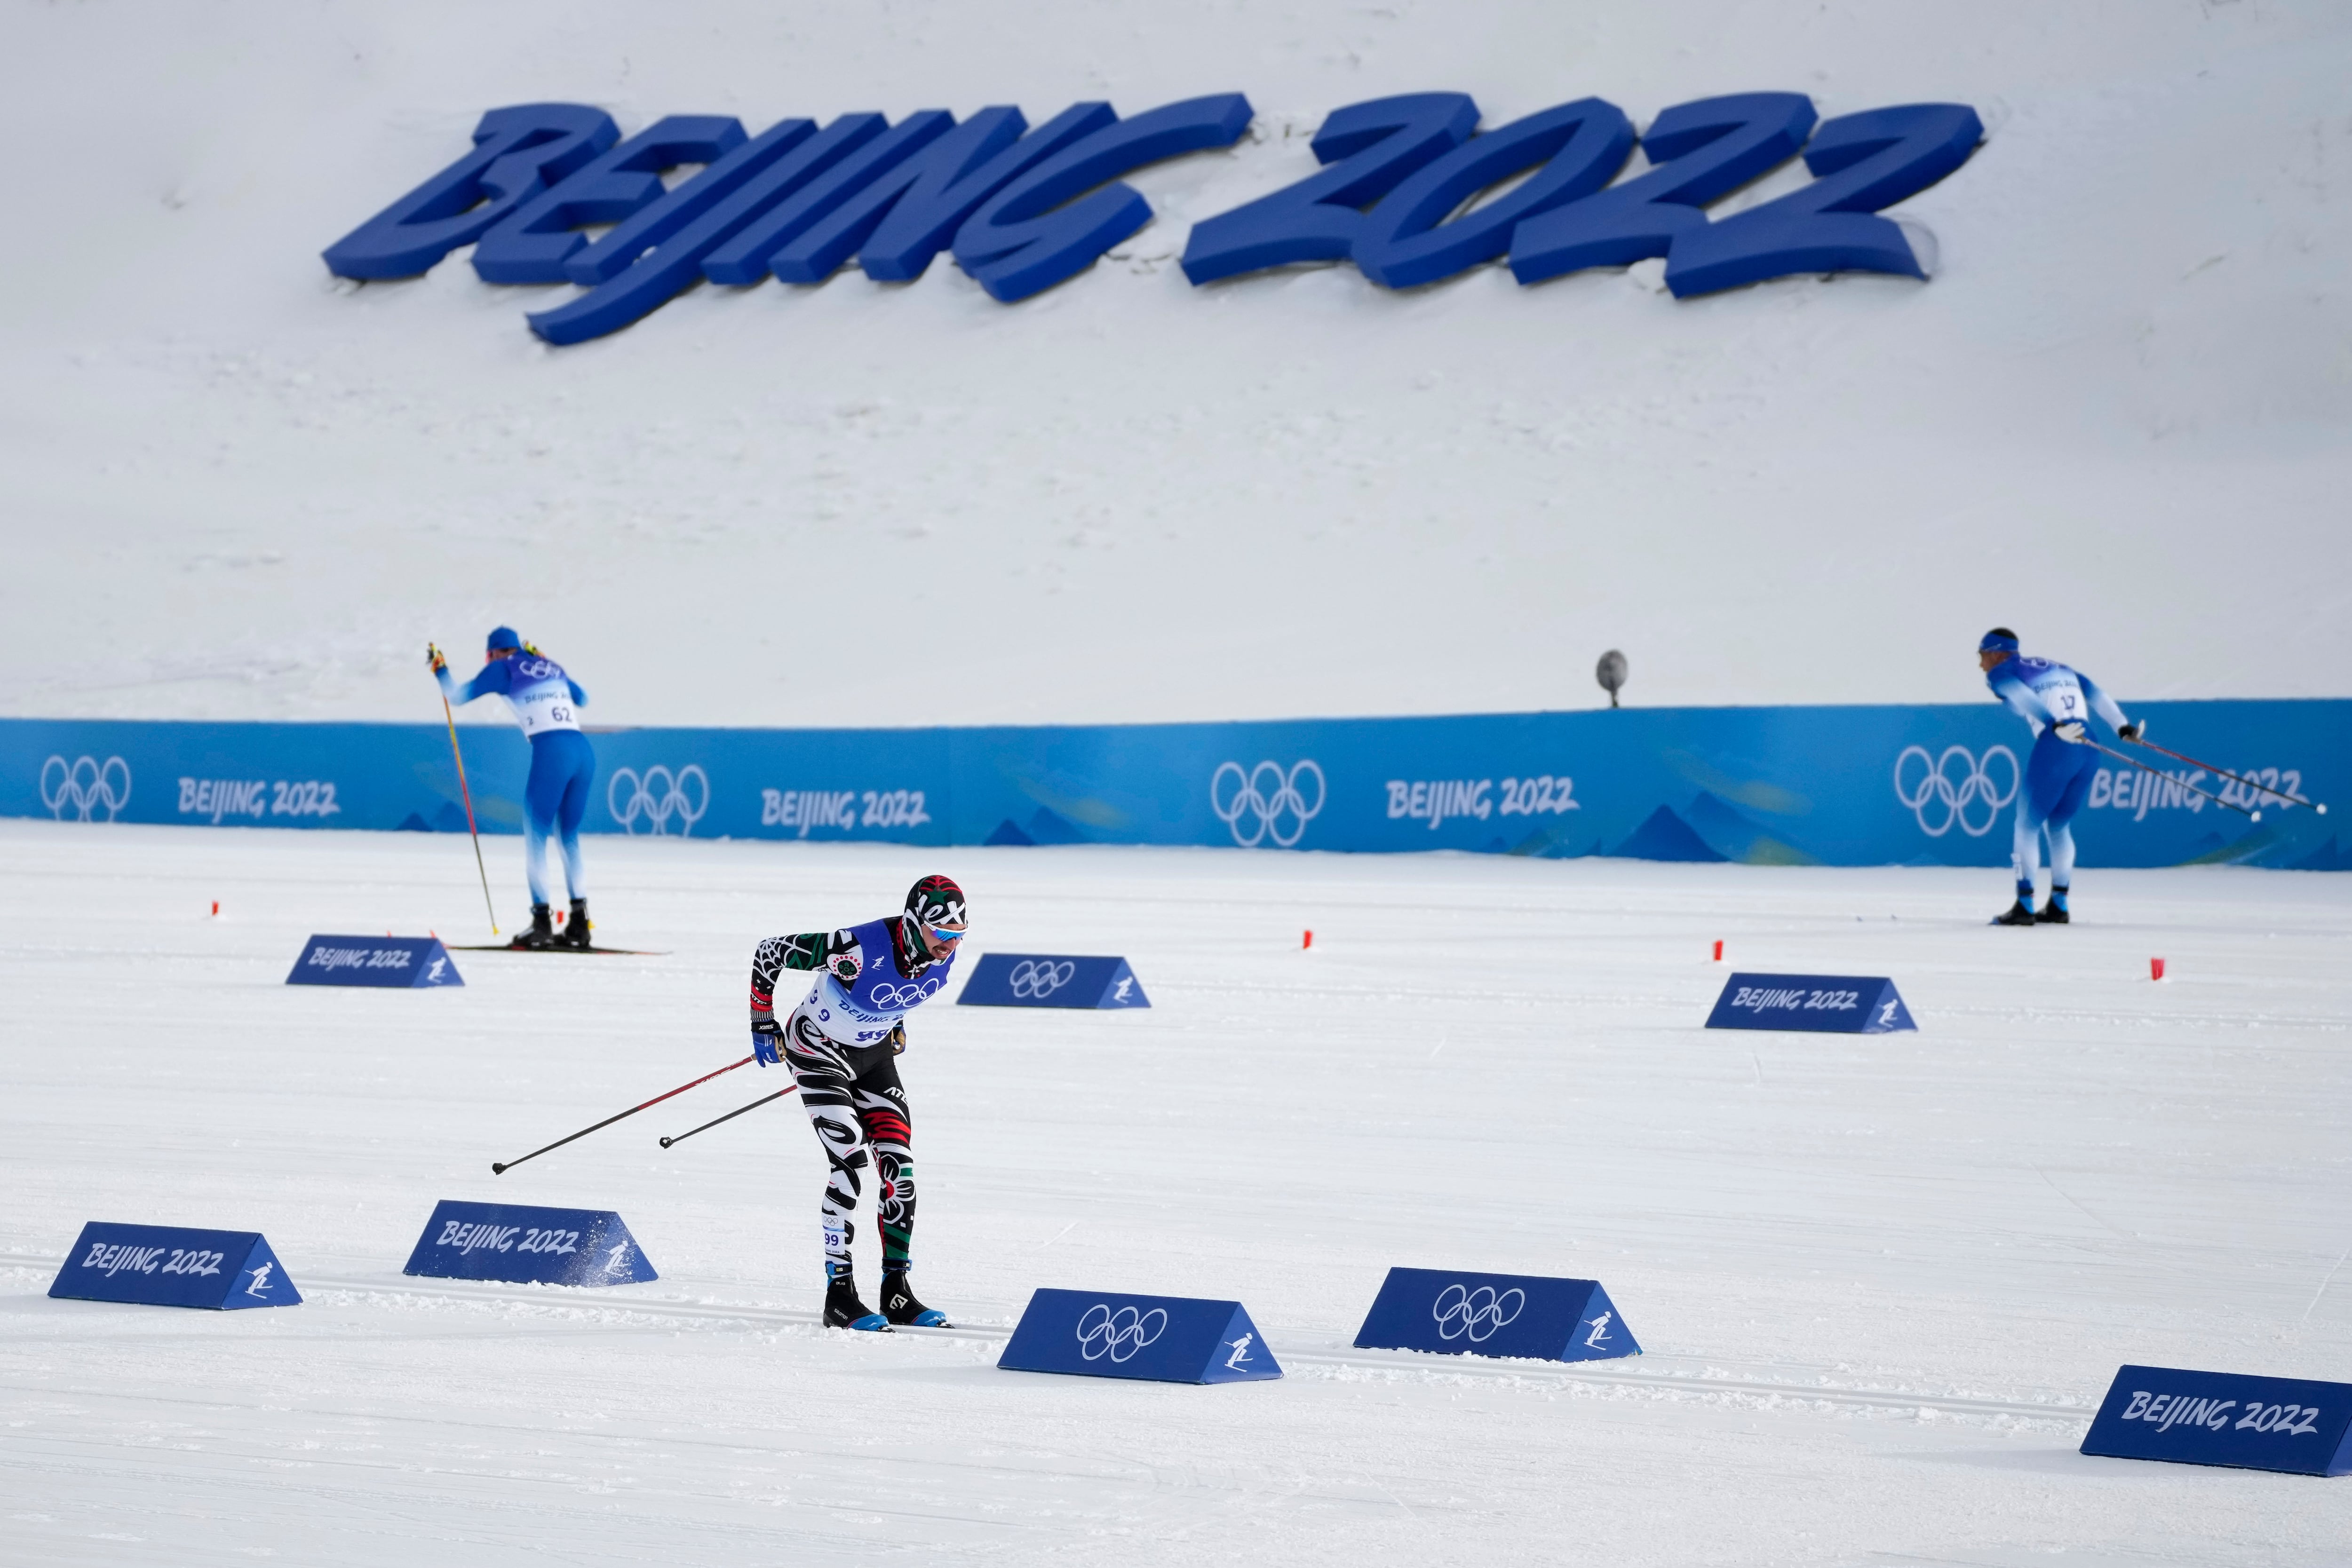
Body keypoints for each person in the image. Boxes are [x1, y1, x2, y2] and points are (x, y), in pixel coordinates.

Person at [747, 874, 968, 1331]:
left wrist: (897, 1022)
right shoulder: (854, 948)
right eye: (940, 933)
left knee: (899, 1166)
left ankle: (897, 1290)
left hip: (873, 1057)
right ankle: (839, 1294)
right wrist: (762, 1021)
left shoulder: (939, 953)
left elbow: (900, 987)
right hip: (816, 1050)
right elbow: (770, 951)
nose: (948, 944)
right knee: (849, 1161)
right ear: (911, 923)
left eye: (957, 935)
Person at [430, 627, 596, 949]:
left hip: (553, 752)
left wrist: (441, 670)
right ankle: (579, 924)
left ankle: (542, 924)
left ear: (493, 653)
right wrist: (546, 662)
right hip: (583, 752)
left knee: (536, 839)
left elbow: (457, 696)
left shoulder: (502, 668)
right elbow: (584, 699)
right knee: (569, 838)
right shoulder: (550, 665)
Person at [1978, 628, 2142, 926]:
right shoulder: (2059, 667)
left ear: (1997, 653)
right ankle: (2059, 904)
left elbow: (2022, 696)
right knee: (2059, 826)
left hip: (2059, 745)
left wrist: (2053, 725)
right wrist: (2123, 727)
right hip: (2089, 746)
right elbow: (2096, 694)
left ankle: (2024, 906)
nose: (1981, 665)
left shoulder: (2002, 672)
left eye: (1983, 656)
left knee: (2026, 827)